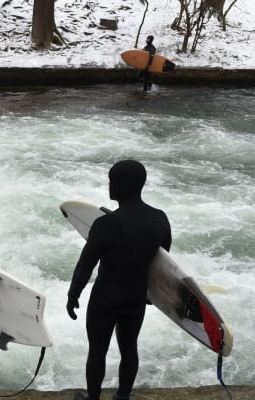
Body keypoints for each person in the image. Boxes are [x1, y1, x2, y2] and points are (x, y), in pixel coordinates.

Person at [66, 160, 171, 400]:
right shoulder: (159, 219)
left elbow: (85, 265)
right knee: (129, 348)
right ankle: (123, 396)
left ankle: (93, 398)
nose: (109, 185)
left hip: (106, 296)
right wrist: (152, 296)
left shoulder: (105, 224)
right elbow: (162, 264)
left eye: (111, 181)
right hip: (136, 295)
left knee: (97, 352)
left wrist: (73, 295)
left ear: (122, 185)